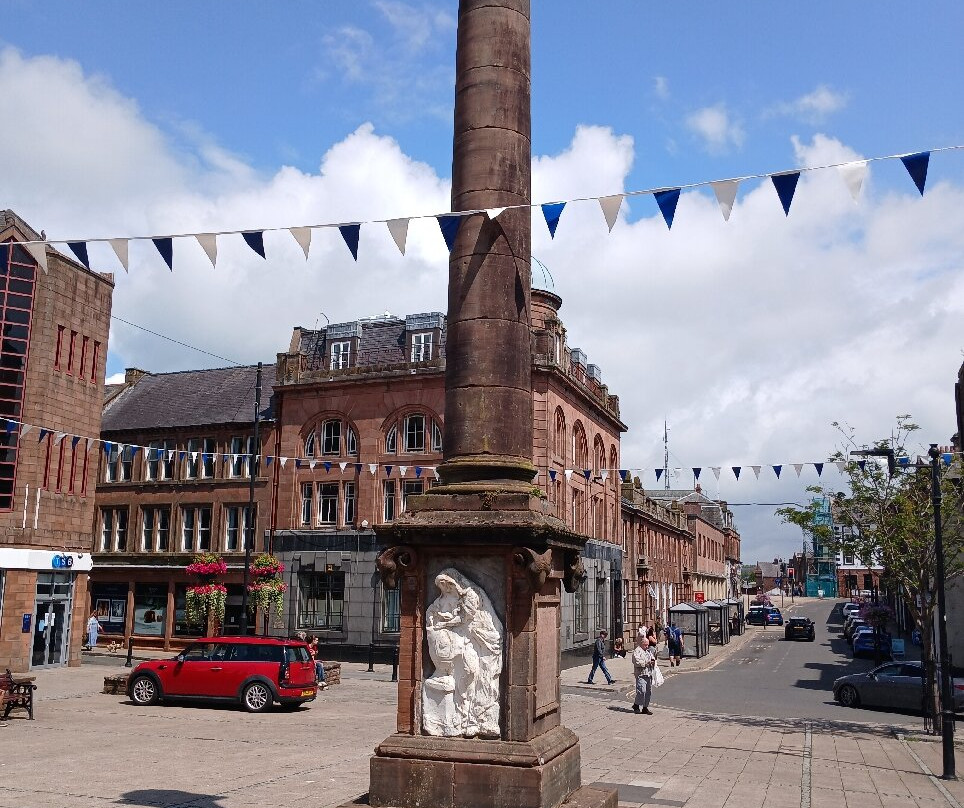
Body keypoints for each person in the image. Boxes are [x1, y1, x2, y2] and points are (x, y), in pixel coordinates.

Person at [631, 635, 655, 714]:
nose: (647, 646)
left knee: (648, 692)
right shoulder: (637, 651)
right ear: (641, 643)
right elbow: (636, 662)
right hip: (641, 674)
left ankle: (645, 707)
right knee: (641, 691)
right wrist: (646, 663)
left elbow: (652, 658)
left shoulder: (648, 651)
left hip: (648, 674)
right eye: (645, 645)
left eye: (648, 645)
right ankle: (636, 705)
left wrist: (653, 662)